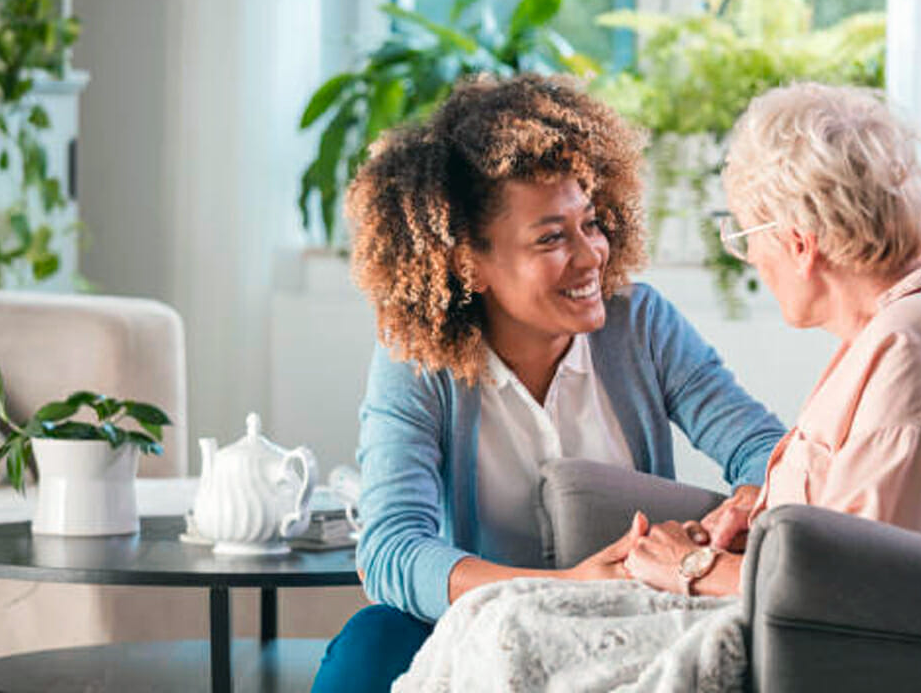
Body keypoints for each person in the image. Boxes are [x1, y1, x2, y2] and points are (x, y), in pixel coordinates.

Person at [310, 74, 787, 693]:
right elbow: (393, 550)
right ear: (468, 263)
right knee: (372, 642)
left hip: (625, 622)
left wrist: (750, 499)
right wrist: (564, 588)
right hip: (481, 625)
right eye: (552, 238)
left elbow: (762, 447)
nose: (592, 256)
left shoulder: (640, 325)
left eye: (590, 223)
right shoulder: (417, 362)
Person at [623, 81, 921, 596]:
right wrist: (763, 515)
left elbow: (854, 588)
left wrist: (693, 567)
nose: (753, 259)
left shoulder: (920, 350)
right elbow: (865, 517)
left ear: (799, 244)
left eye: (744, 237)